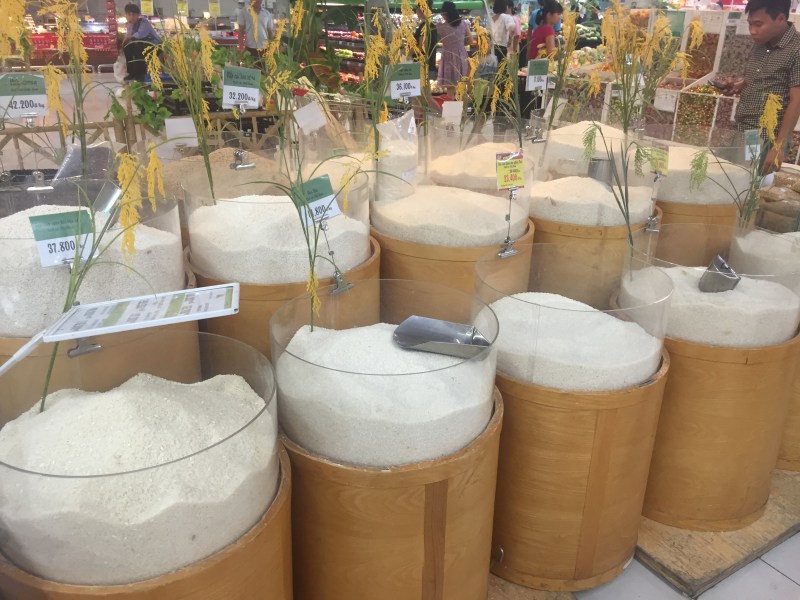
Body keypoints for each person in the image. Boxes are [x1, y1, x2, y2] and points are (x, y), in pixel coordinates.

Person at [731, 0, 800, 172]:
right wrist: (742, 84)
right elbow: (764, 76)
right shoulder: (761, 42)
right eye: (750, 24)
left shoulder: (796, 50)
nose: (752, 30)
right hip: (745, 128)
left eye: (758, 24)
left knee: (755, 181)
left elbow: (797, 101)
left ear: (781, 18)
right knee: (740, 177)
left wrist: (778, 147)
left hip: (768, 137)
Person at [436, 1, 472, 95]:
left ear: (445, 13)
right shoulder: (463, 24)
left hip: (447, 57)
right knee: (462, 86)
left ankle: (451, 104)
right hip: (461, 56)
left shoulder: (440, 26)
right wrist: (460, 43)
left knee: (450, 87)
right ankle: (463, 105)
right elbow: (470, 41)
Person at [121, 3, 161, 82]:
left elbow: (140, 35)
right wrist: (124, 43)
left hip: (154, 46)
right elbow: (128, 36)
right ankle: (131, 73)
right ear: (126, 15)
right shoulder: (129, 25)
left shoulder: (144, 22)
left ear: (138, 15)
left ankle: (140, 74)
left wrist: (128, 37)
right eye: (129, 14)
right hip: (142, 45)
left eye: (133, 14)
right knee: (127, 48)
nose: (131, 17)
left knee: (138, 47)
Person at [414, 0, 439, 79]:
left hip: (423, 67)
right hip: (429, 66)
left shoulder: (424, 26)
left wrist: (407, 51)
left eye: (416, 8)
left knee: (423, 86)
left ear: (421, 10)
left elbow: (422, 47)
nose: (416, 11)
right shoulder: (432, 25)